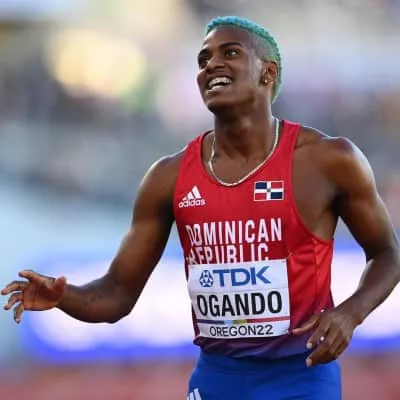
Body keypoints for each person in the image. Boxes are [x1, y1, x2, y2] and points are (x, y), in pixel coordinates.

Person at [2, 16, 400, 400]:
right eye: (203, 59)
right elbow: (116, 295)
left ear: (268, 73)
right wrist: (63, 296)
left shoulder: (328, 160)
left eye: (231, 53)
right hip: (217, 378)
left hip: (302, 375)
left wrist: (350, 313)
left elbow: (388, 255)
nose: (212, 65)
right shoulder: (168, 177)